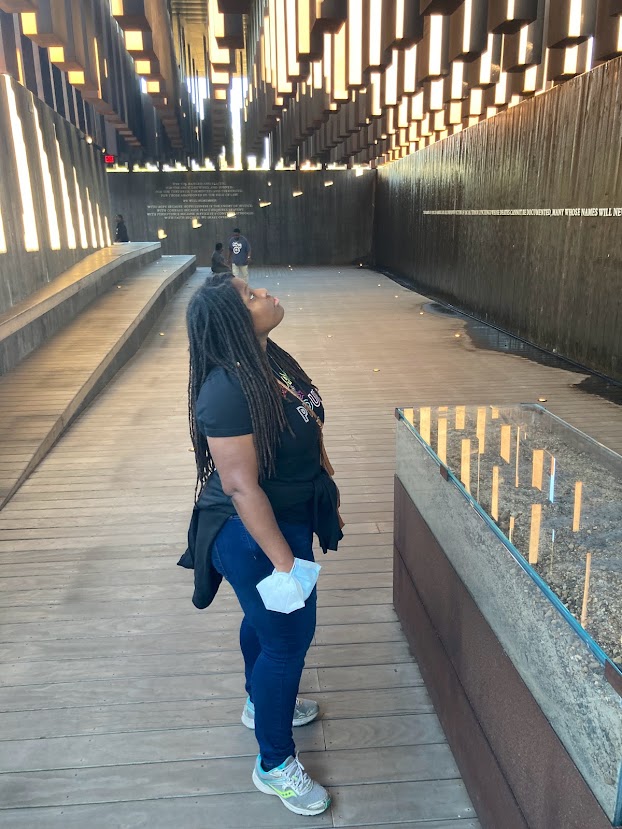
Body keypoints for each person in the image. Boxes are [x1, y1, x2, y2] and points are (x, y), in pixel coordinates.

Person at [179, 274, 342, 816]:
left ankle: (259, 701)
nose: (266, 293)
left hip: (287, 514)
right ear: (234, 323)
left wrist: (328, 488)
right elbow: (240, 486)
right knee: (287, 639)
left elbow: (308, 421)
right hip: (250, 533)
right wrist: (284, 564)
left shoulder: (272, 360)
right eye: (251, 296)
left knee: (265, 621)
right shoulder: (225, 390)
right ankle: (273, 765)